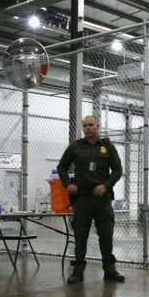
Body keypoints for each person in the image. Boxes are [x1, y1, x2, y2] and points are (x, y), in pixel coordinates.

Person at [57, 116, 124, 284]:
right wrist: (67, 184)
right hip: (83, 199)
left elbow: (117, 170)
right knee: (80, 235)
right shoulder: (76, 146)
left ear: (97, 126)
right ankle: (78, 272)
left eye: (91, 125)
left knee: (106, 235)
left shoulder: (108, 147)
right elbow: (62, 167)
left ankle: (109, 270)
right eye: (85, 126)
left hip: (102, 199)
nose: (88, 128)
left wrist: (105, 186)